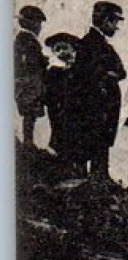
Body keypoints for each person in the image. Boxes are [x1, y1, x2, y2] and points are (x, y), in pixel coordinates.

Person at [76, 1, 127, 179]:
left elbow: (121, 72)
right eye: (115, 22)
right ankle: (98, 177)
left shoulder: (100, 44)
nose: (116, 27)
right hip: (96, 104)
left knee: (101, 140)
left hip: (102, 104)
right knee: (96, 141)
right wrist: (106, 76)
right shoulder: (91, 44)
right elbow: (89, 75)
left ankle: (101, 175)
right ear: (105, 21)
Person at [42, 33, 86, 169]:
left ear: (73, 49)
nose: (60, 52)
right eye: (57, 49)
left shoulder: (81, 71)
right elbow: (47, 94)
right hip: (57, 112)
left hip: (77, 113)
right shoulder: (54, 72)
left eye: (63, 47)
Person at [14, 5, 46, 147]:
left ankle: (28, 142)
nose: (40, 27)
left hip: (26, 85)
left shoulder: (21, 39)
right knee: (29, 116)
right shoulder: (29, 41)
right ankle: (28, 143)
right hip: (31, 86)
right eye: (38, 23)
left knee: (29, 116)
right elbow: (32, 64)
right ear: (31, 23)